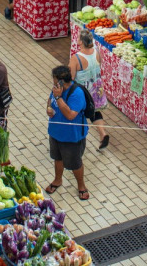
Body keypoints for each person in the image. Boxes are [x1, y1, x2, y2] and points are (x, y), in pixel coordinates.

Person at [45, 65, 91, 200]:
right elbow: (49, 101)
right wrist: (48, 108)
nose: (53, 83)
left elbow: (70, 115)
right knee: (57, 158)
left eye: (54, 80)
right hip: (55, 132)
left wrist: (59, 98)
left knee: (75, 163)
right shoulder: (56, 89)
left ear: (60, 81)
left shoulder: (77, 94)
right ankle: (57, 180)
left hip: (71, 136)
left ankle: (81, 186)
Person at [70, 29, 109, 149]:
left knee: (78, 114)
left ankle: (77, 140)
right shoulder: (97, 52)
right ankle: (103, 134)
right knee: (95, 111)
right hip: (96, 89)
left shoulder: (76, 58)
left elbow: (70, 77)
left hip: (83, 92)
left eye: (78, 38)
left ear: (81, 42)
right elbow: (99, 65)